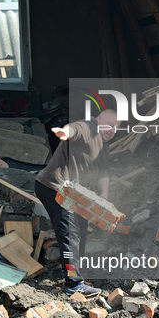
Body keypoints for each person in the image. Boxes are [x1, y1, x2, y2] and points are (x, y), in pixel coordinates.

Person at [35, 109, 121, 298]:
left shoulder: (104, 147)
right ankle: (73, 284)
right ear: (99, 119)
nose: (111, 131)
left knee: (81, 231)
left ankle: (77, 276)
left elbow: (104, 172)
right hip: (54, 188)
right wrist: (65, 132)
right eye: (109, 125)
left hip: (76, 195)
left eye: (116, 129)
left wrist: (104, 194)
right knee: (69, 233)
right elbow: (75, 129)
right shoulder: (90, 127)